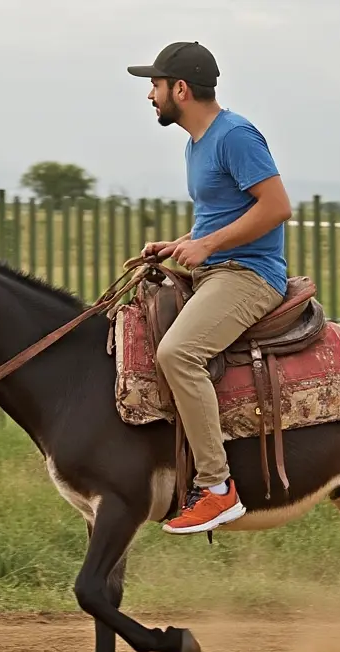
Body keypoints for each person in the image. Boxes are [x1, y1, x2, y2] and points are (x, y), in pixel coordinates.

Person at [127, 41, 293, 535]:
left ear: (180, 89)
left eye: (155, 86)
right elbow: (221, 215)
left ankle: (218, 489)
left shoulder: (235, 136)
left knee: (178, 353)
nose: (150, 95)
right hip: (214, 267)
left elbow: (276, 206)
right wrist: (179, 244)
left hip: (249, 274)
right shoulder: (196, 143)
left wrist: (208, 246)